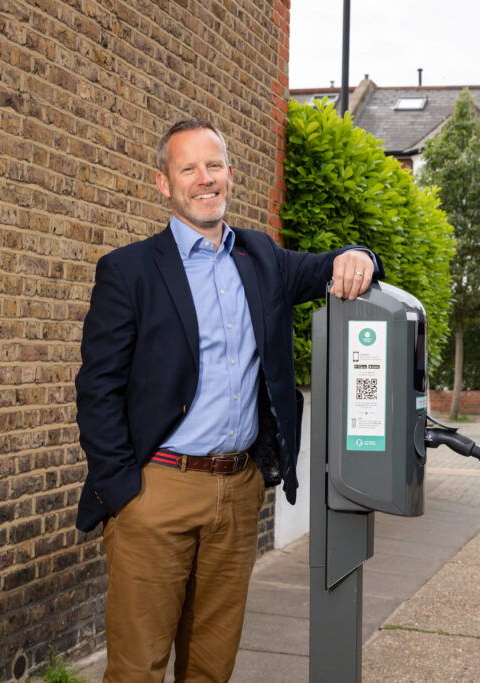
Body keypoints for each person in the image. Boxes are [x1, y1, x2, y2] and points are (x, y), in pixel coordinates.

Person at [74, 118, 382, 682]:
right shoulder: (129, 270)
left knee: (212, 668)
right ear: (164, 184)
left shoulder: (262, 258)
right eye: (188, 168)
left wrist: (359, 254)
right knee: (137, 668)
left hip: (237, 495)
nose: (204, 178)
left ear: (231, 175)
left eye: (214, 165)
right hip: (156, 493)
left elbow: (331, 266)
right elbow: (98, 389)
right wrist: (124, 490)